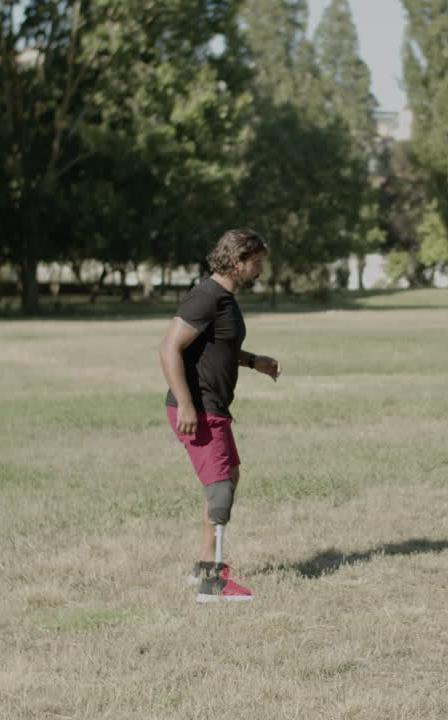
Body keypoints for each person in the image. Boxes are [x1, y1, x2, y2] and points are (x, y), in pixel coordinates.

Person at [159, 228, 281, 603]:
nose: (259, 271)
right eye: (256, 263)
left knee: (228, 475)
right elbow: (169, 350)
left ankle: (203, 562)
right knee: (220, 488)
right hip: (199, 408)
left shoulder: (223, 298)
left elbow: (217, 344)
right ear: (237, 260)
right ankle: (213, 583)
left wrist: (251, 360)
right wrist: (187, 404)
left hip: (212, 407)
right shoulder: (207, 296)